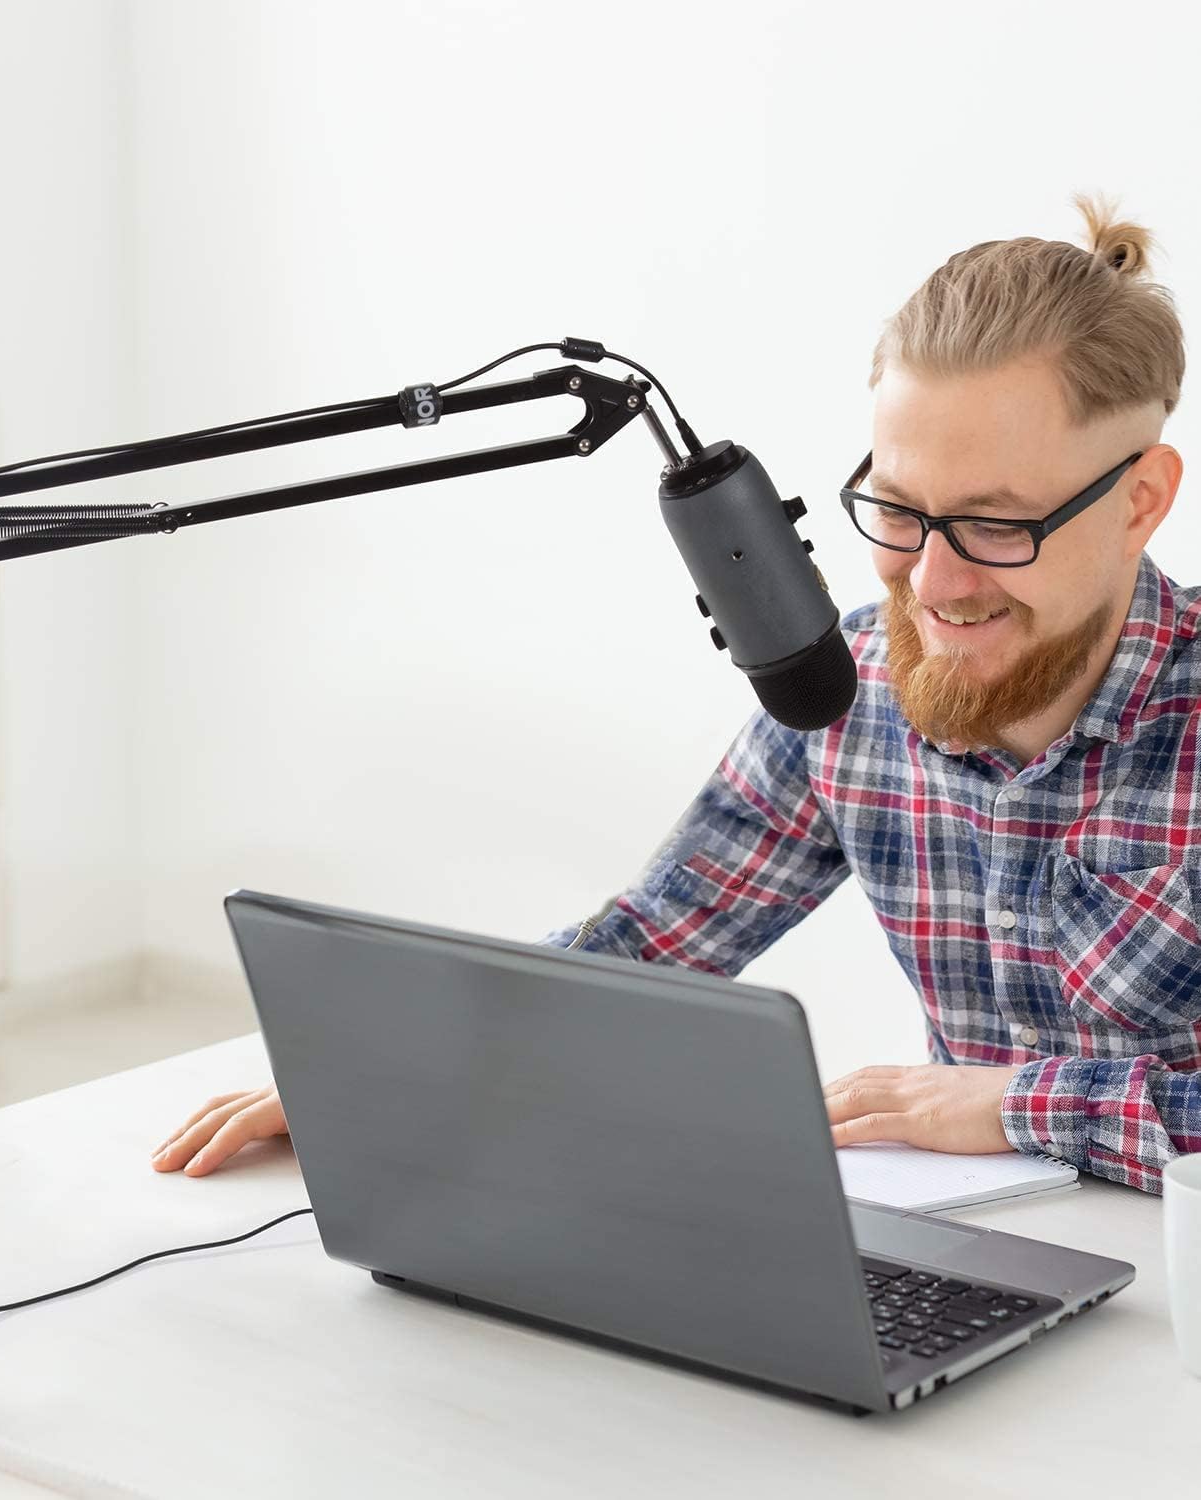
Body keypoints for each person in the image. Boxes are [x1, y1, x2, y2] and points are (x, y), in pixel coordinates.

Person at [152, 191, 1193, 1194]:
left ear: (1140, 500)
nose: (932, 583)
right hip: (1003, 1247)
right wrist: (403, 1065)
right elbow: (652, 943)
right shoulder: (858, 683)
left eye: (997, 525)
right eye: (898, 510)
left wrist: (1012, 1107)